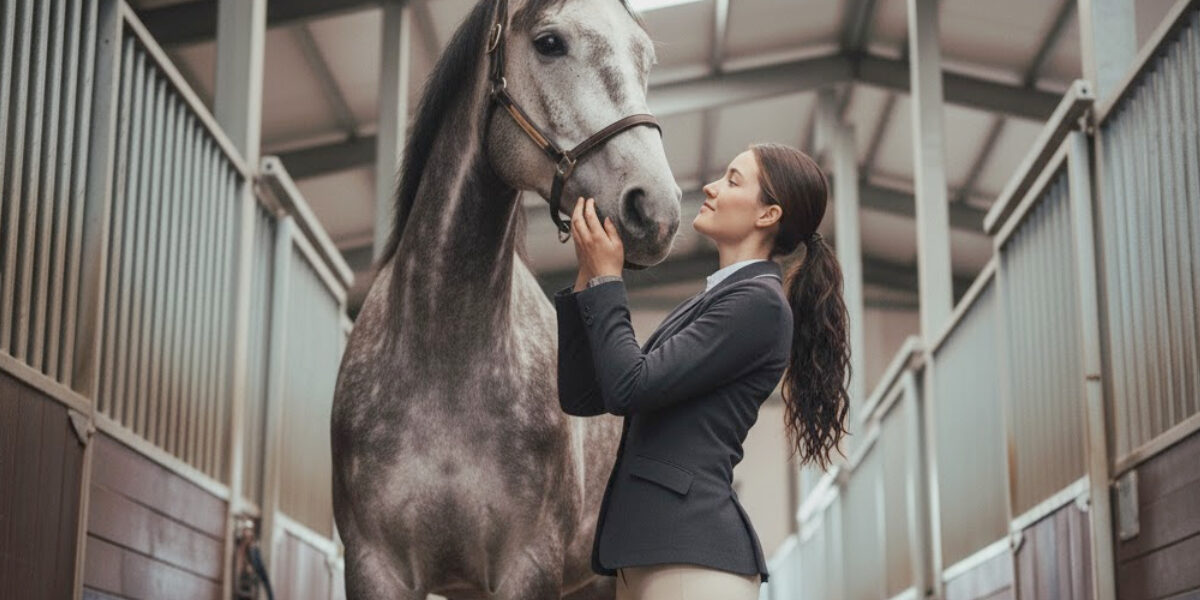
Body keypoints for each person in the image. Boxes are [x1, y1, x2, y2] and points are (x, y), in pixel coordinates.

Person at [553, 142, 851, 600]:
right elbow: (586, 395)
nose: (711, 188)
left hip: (691, 556)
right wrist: (587, 281)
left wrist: (609, 281)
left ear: (768, 214)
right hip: (653, 554)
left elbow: (629, 386)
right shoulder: (717, 300)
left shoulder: (759, 304)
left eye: (732, 180)